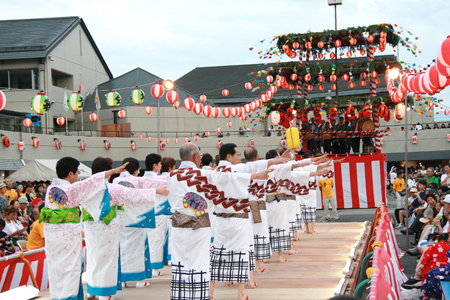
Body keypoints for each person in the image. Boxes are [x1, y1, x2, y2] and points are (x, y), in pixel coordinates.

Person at [167, 143, 272, 300]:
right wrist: (254, 176)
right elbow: (226, 178)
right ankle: (199, 295)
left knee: (180, 262)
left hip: (177, 224)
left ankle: (181, 296)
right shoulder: (203, 174)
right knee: (199, 261)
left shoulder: (172, 175)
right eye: (199, 157)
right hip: (198, 224)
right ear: (195, 157)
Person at [41, 157, 129, 300]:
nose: (77, 175)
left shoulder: (50, 189)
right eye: (77, 172)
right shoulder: (71, 189)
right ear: (70, 174)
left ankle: (57, 297)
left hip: (51, 234)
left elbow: (88, 183)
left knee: (56, 269)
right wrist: (113, 171)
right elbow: (90, 182)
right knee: (71, 270)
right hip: (68, 233)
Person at [209, 144, 290, 298]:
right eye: (237, 154)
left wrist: (269, 164)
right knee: (243, 251)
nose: (239, 158)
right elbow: (250, 167)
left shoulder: (212, 172)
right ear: (229, 156)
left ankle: (211, 291)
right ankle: (242, 291)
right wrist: (267, 167)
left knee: (218, 252)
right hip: (244, 215)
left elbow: (250, 167)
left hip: (221, 219)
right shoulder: (237, 169)